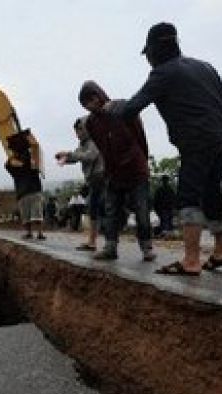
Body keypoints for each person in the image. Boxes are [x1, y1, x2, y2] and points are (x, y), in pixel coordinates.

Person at [103, 22, 222, 275]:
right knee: (211, 195)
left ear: (154, 50)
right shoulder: (205, 67)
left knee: (188, 197)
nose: (148, 60)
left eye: (148, 54)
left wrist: (112, 108)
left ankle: (191, 260)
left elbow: (132, 108)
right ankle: (221, 250)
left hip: (196, 142)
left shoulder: (163, 74)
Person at [78, 81, 156, 262]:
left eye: (91, 100)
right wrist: (108, 170)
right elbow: (102, 147)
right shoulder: (92, 123)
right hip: (113, 172)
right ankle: (110, 247)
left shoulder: (123, 108)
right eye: (85, 105)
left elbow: (140, 136)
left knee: (141, 210)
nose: (90, 106)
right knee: (111, 210)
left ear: (99, 95)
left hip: (135, 168)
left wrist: (143, 161)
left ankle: (146, 248)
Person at [55, 117, 106, 251]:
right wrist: (65, 158)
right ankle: (92, 241)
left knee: (100, 209)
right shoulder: (82, 144)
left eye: (80, 130)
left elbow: (90, 156)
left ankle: (103, 242)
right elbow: (77, 156)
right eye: (77, 131)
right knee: (93, 210)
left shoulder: (93, 141)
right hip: (93, 180)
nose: (78, 133)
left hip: (101, 178)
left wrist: (69, 154)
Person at [5, 131, 46, 240]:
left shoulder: (28, 158)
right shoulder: (14, 161)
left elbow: (35, 147)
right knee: (30, 215)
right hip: (28, 190)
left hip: (29, 190)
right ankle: (35, 233)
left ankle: (36, 233)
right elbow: (11, 164)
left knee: (33, 214)